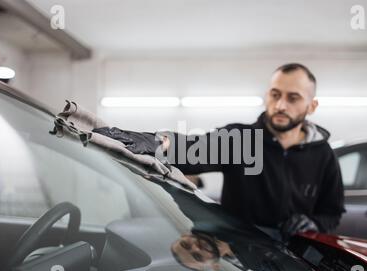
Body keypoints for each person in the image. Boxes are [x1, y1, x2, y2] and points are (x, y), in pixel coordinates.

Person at [95, 63, 345, 239]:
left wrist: (314, 224)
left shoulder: (323, 155)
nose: (280, 105)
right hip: (242, 257)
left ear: (311, 106)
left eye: (293, 98)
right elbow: (191, 148)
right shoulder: (243, 140)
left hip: (296, 263)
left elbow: (332, 212)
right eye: (275, 94)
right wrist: (152, 142)